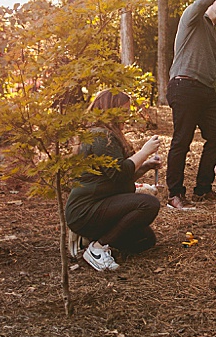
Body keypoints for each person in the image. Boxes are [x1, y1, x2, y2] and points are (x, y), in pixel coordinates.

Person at [65, 90, 163, 272]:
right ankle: (98, 248)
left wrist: (146, 166)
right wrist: (144, 152)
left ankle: (89, 240)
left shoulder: (107, 134)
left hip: (102, 202)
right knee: (148, 204)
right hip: (86, 209)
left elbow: (118, 177)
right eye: (123, 111)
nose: (126, 116)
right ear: (110, 109)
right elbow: (120, 174)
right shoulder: (101, 136)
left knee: (145, 240)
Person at [166, 0, 216, 210]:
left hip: (206, 91)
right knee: (182, 140)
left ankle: (203, 188)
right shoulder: (192, 19)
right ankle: (175, 194)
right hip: (184, 85)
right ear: (212, 1)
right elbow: (199, 3)